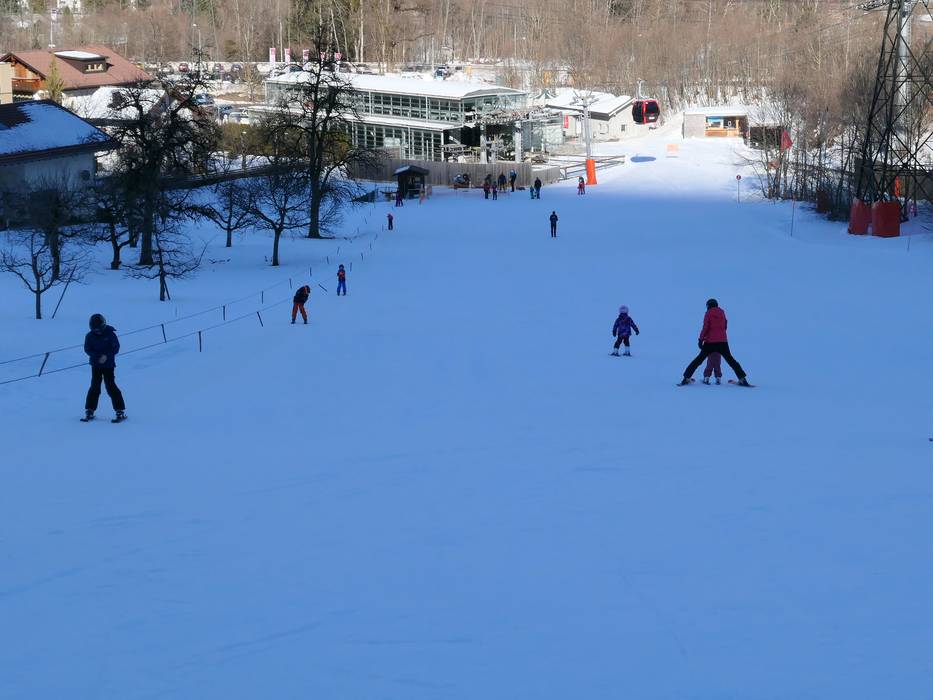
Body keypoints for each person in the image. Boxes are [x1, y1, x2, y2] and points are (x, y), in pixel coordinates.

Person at [679, 298, 750, 386]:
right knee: (731, 361)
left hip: (710, 342)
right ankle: (742, 379)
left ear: (708, 306)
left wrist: (701, 340)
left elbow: (705, 327)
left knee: (698, 360)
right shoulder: (722, 312)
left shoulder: (708, 313)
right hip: (722, 342)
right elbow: (725, 326)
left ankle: (686, 378)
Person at [82, 313, 126, 422]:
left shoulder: (110, 334)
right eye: (95, 329)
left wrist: (106, 355)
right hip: (96, 365)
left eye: (99, 329)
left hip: (108, 365)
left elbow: (116, 347)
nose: (98, 331)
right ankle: (90, 410)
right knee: (95, 386)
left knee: (110, 386)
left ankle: (119, 410)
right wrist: (97, 356)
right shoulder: (89, 336)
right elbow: (87, 349)